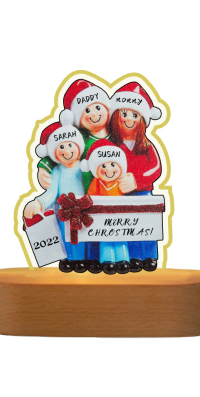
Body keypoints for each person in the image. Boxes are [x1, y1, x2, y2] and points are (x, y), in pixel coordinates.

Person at [36, 79, 114, 271]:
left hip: (103, 197)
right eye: (87, 110)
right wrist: (44, 166)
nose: (94, 114)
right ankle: (75, 259)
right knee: (75, 234)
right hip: (77, 202)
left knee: (99, 231)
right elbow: (57, 151)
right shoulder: (81, 138)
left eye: (98, 107)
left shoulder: (115, 137)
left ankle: (98, 258)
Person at [109, 82, 162, 272]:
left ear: (142, 119)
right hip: (119, 196)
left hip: (143, 195)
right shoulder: (112, 146)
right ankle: (132, 257)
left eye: (135, 114)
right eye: (124, 113)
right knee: (127, 227)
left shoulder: (146, 146)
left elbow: (156, 169)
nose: (129, 119)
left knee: (147, 225)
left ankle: (149, 256)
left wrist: (137, 181)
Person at [23, 117, 87, 273]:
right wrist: (39, 203)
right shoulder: (57, 171)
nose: (66, 151)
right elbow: (51, 193)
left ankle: (82, 259)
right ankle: (68, 259)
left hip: (85, 210)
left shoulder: (85, 167)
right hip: (64, 213)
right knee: (65, 238)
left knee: (83, 237)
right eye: (61, 147)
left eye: (70, 145)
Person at [81, 139, 130, 275]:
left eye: (113, 164)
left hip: (120, 217)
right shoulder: (96, 182)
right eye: (103, 166)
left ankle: (123, 258)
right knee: (105, 238)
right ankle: (107, 259)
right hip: (102, 217)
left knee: (121, 236)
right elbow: (90, 197)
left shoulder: (121, 182)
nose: (108, 169)